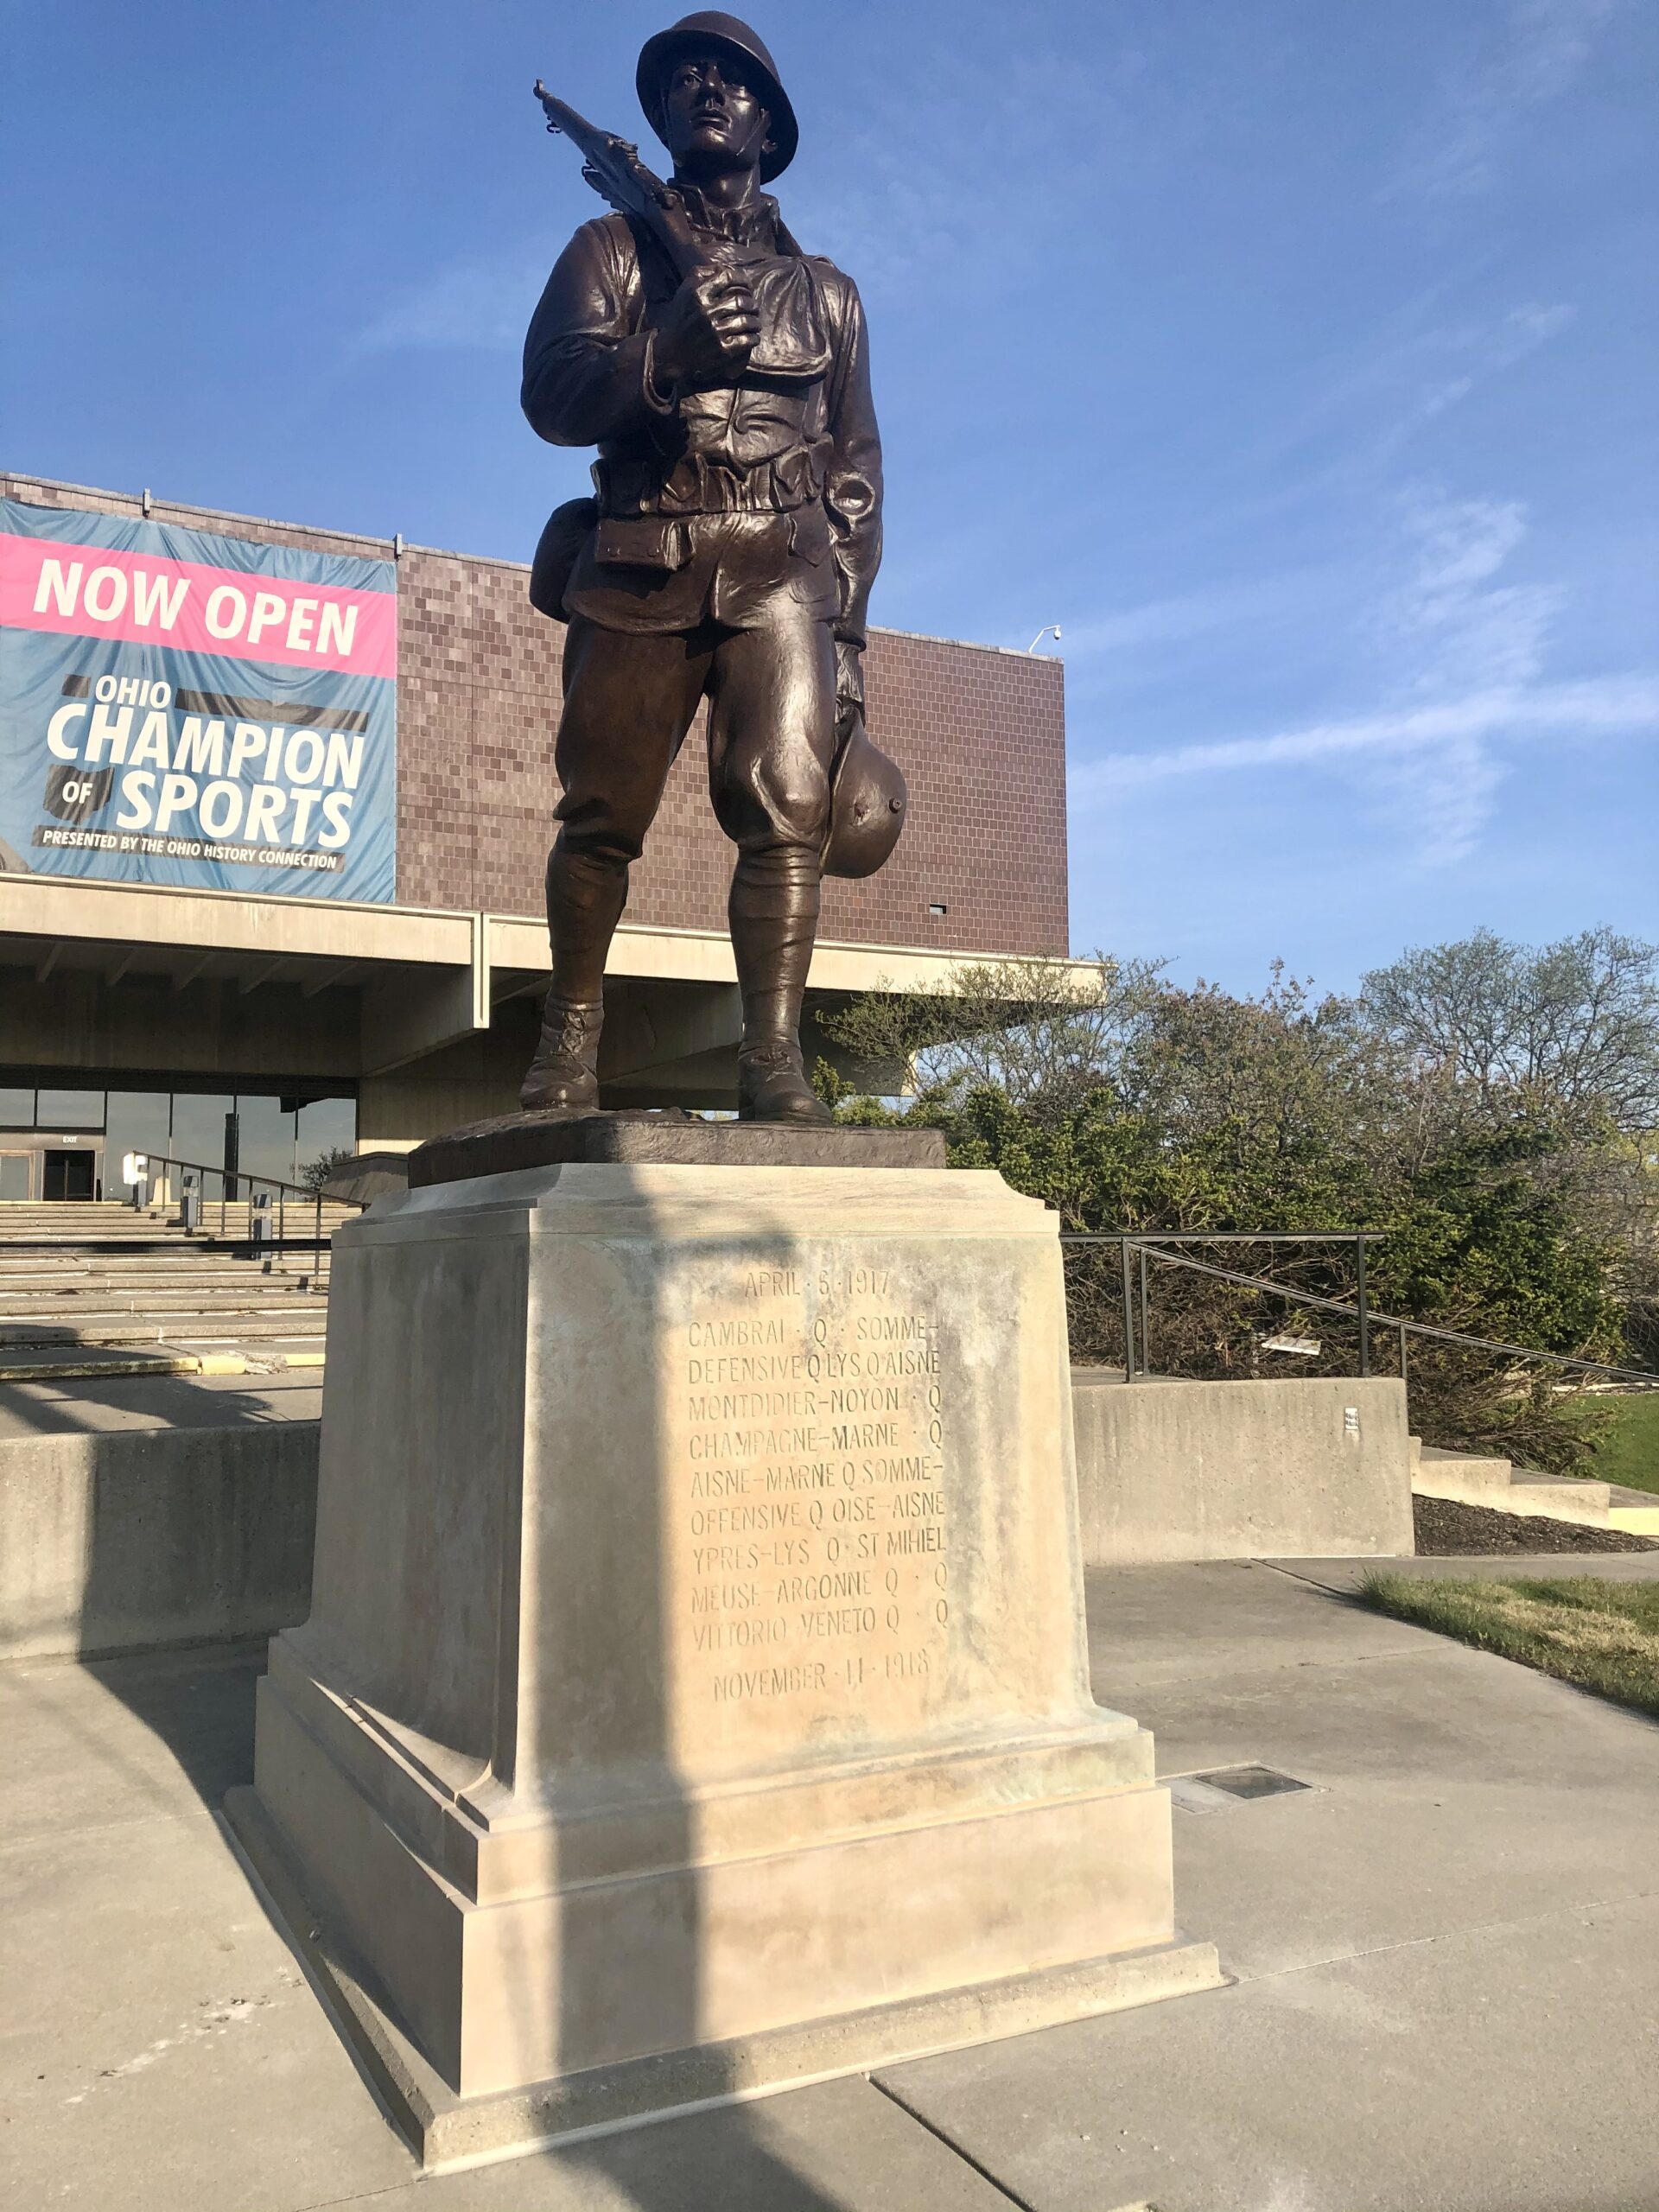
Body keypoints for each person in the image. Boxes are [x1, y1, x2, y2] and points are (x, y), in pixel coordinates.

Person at [518, 11, 882, 1123]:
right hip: (640, 562)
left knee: (788, 810)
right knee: (600, 811)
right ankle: (567, 1047)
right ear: (665, 117)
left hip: (783, 575)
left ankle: (773, 1058)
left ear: (768, 125)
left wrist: (850, 641)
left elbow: (856, 474)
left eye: (731, 81)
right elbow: (550, 396)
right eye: (685, 80)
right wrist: (662, 353)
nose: (705, 89)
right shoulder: (610, 250)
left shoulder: (827, 294)